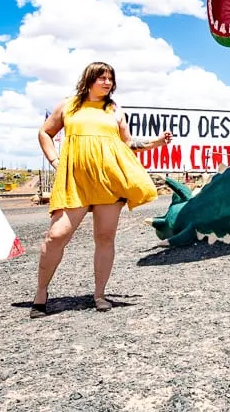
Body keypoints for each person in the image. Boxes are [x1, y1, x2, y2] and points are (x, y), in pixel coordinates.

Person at [32, 61, 172, 317]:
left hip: (109, 182)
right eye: (102, 78)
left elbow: (128, 143)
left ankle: (99, 294)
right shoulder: (69, 106)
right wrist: (55, 160)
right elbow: (44, 133)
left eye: (110, 78)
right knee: (56, 236)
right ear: (89, 79)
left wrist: (156, 143)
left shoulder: (115, 111)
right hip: (75, 182)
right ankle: (41, 292)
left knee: (105, 238)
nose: (107, 82)